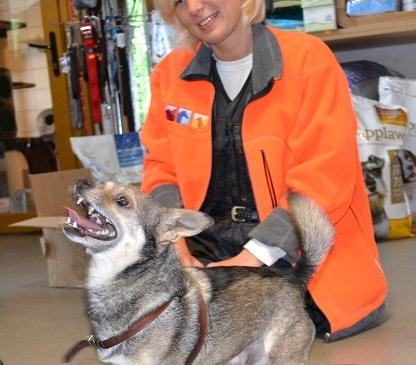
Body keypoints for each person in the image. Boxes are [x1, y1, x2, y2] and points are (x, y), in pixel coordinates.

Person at [140, 0, 387, 341]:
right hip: (204, 247)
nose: (194, 7)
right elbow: (161, 171)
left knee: (273, 325)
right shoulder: (169, 74)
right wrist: (174, 245)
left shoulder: (308, 58)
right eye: (180, 1)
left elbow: (325, 176)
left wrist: (252, 257)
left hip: (295, 249)